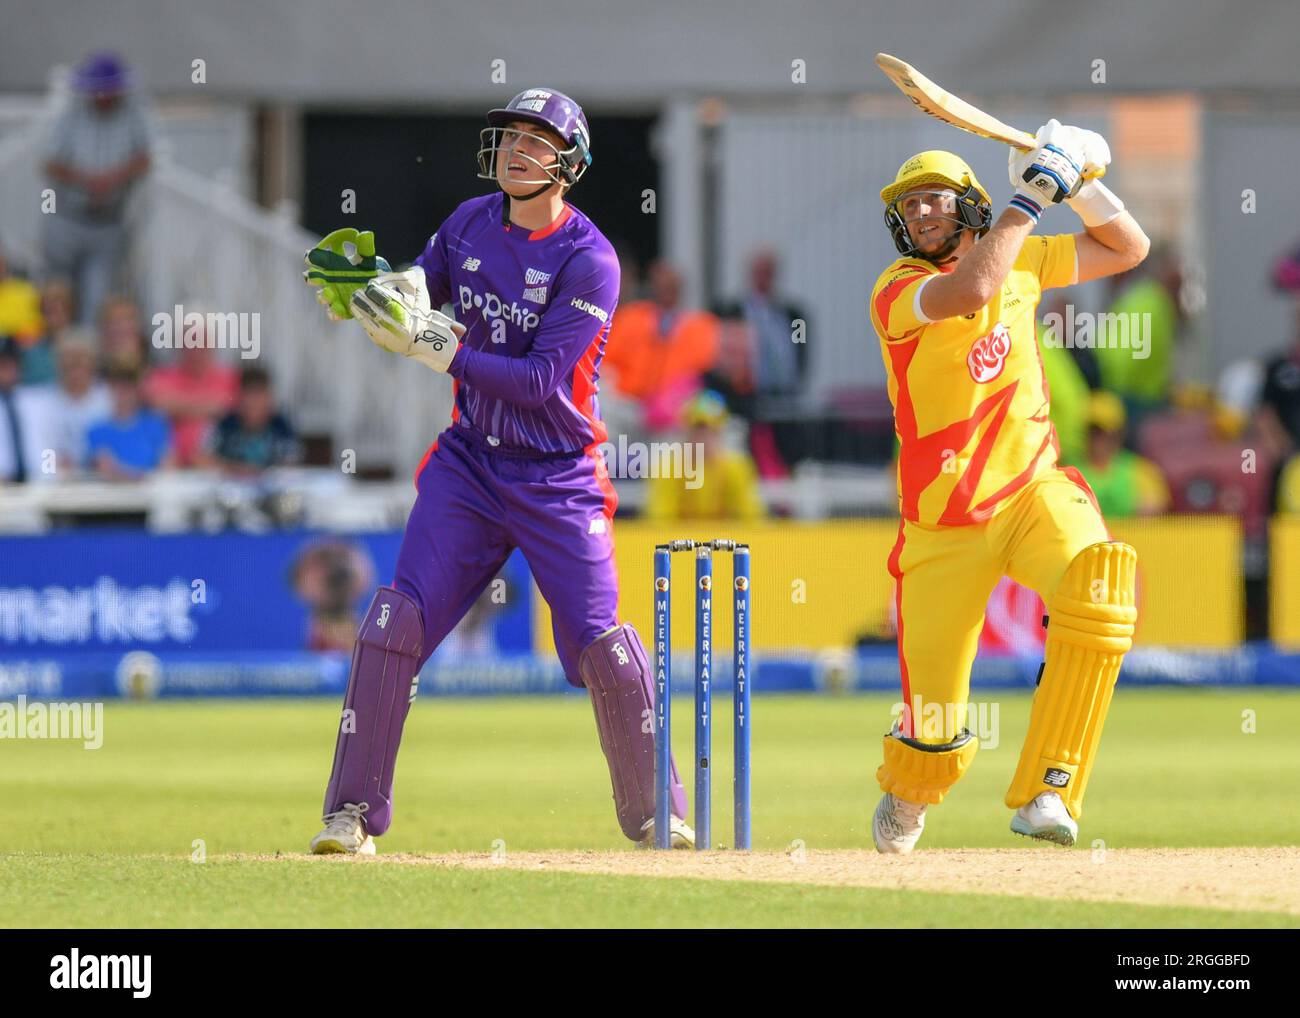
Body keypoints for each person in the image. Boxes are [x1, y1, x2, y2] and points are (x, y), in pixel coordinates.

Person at [303, 88, 693, 854]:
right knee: (393, 622)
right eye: (511, 135)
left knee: (599, 644)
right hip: (472, 464)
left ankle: (659, 810)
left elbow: (538, 380)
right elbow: (427, 279)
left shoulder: (591, 260)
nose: (518, 149)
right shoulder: (471, 221)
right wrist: (390, 296)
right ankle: (350, 816)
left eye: (537, 140)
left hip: (559, 475)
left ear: (569, 165)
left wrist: (430, 346)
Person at [868, 123, 1149, 854]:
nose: (924, 213)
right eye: (912, 204)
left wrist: (1084, 182)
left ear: (970, 207)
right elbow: (976, 286)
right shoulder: (898, 290)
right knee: (932, 729)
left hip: (1032, 490)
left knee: (1101, 583)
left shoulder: (1027, 256)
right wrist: (1039, 191)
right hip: (941, 526)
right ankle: (911, 791)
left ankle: (1051, 790)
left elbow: (1129, 248)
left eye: (937, 199)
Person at [42, 53, 152, 326]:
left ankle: (87, 354)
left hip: (108, 222)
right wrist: (86, 180)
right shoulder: (71, 114)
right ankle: (55, 355)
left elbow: (146, 158)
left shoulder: (133, 115)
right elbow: (50, 163)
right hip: (67, 218)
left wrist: (113, 178)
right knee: (58, 294)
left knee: (97, 297)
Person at [602, 260, 719, 430]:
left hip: (674, 414)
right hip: (627, 406)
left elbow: (703, 373)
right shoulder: (630, 317)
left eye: (671, 286)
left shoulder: (701, 326)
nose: (666, 290)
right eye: (661, 285)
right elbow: (604, 363)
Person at [645, 389, 766, 521]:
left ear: (720, 433)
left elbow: (751, 518)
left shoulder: (736, 468)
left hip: (724, 540)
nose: (703, 438)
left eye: (710, 431)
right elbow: (658, 520)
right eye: (697, 430)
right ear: (686, 433)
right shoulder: (668, 468)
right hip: (680, 541)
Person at [1073, 391, 1170, 518]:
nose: (1101, 439)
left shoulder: (1141, 471)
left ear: (1120, 434)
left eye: (1108, 432)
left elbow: (1156, 511)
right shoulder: (1069, 473)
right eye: (1095, 431)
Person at [145, 342, 240, 467]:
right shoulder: (162, 375)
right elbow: (156, 403)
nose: (196, 350)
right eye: (190, 343)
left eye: (201, 344)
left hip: (216, 464)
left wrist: (177, 407)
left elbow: (231, 407)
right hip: (170, 463)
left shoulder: (229, 377)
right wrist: (210, 406)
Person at [203, 366, 301, 475]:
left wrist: (261, 472)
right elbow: (200, 457)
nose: (254, 403)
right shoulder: (224, 423)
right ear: (239, 398)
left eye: (259, 396)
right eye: (249, 396)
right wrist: (233, 468)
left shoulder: (281, 425)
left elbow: (291, 461)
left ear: (269, 398)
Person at [85, 364, 172, 479]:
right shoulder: (96, 431)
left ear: (137, 391)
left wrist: (126, 473)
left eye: (127, 388)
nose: (122, 395)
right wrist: (142, 477)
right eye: (116, 388)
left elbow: (169, 465)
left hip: (153, 493)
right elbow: (106, 470)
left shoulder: (156, 425)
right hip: (114, 494)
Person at [46, 329, 112, 472]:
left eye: (81, 358)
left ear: (93, 363)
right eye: (68, 359)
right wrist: (53, 470)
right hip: (59, 483)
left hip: (105, 481)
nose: (75, 365)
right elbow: (43, 449)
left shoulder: (109, 398)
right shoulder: (45, 402)